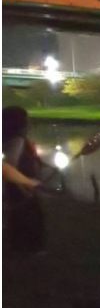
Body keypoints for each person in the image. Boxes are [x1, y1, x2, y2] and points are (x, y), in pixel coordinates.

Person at [2, 106, 48, 254]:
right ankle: (26, 248)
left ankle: (20, 246)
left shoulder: (15, 138)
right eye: (25, 119)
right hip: (20, 186)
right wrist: (27, 183)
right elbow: (9, 165)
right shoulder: (16, 140)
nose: (28, 122)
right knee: (29, 215)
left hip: (20, 185)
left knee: (23, 215)